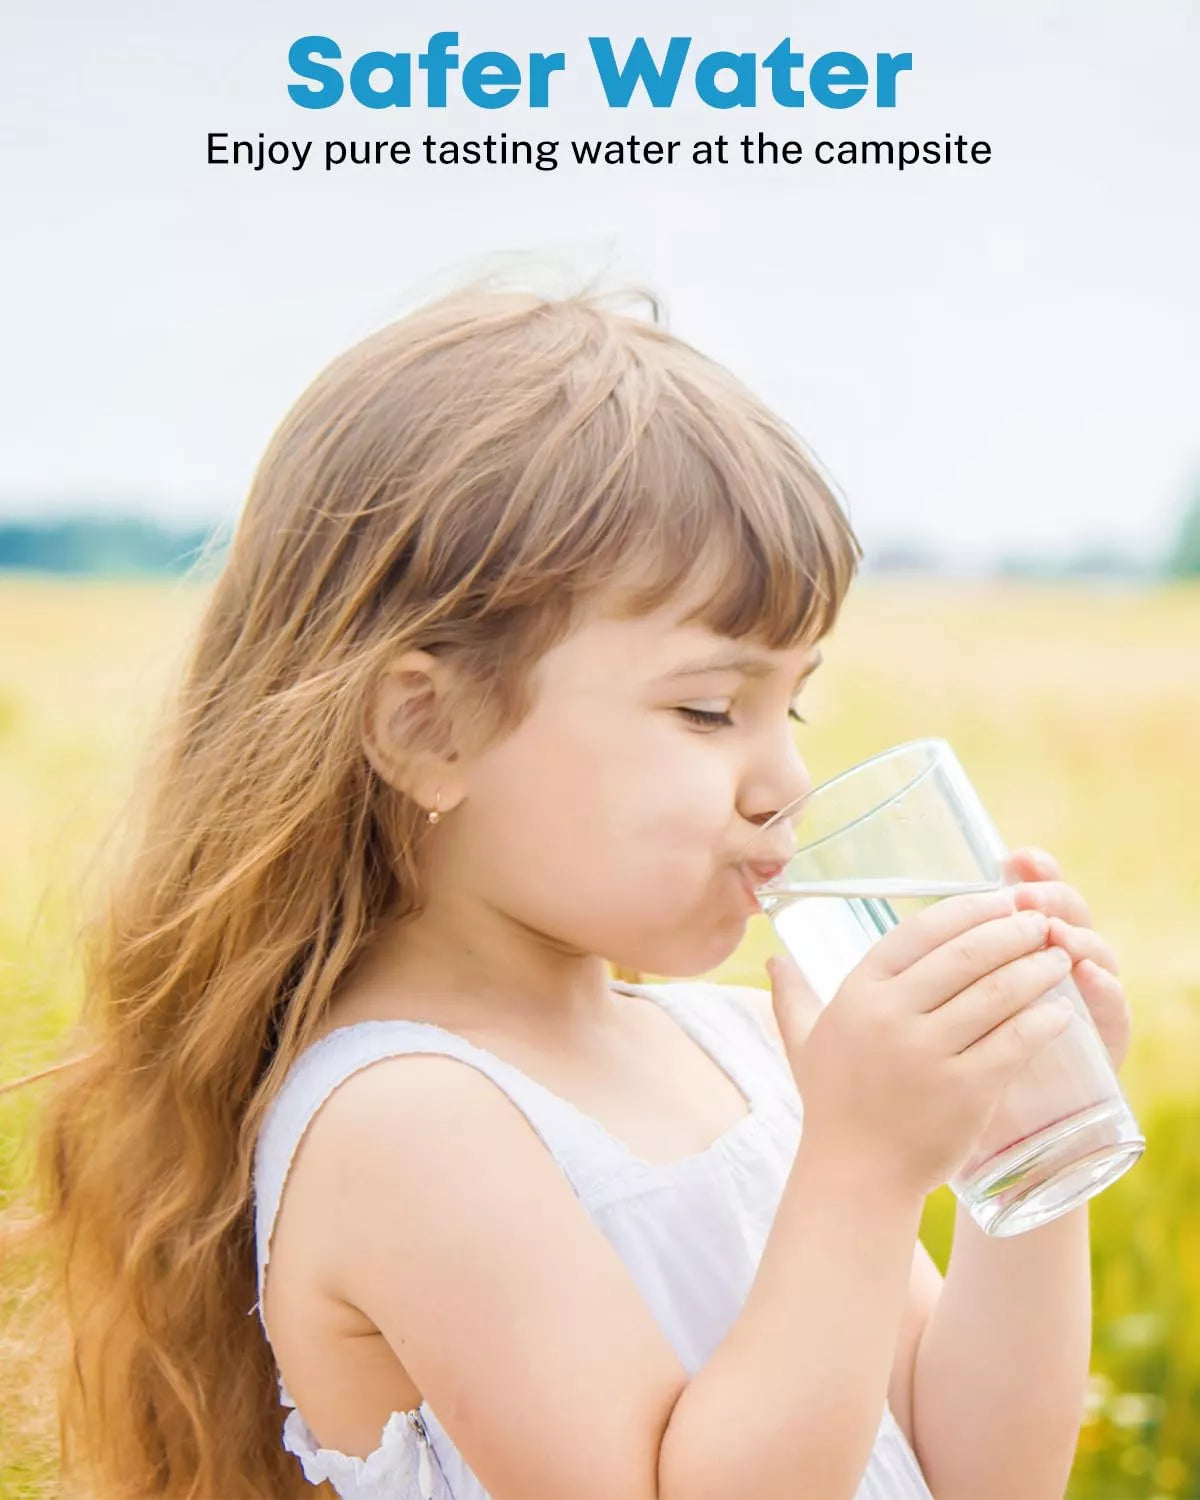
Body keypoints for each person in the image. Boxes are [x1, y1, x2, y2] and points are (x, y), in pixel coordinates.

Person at [26, 279, 1130, 1500]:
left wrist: (1024, 1148)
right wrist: (861, 1173)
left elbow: (980, 1476)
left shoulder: (743, 1053)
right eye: (707, 709)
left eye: (793, 706)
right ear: (429, 729)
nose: (787, 782)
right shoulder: (406, 1123)